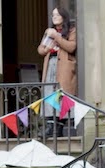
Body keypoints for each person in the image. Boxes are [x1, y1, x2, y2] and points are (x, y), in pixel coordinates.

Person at [37, 5, 77, 137]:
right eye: (53, 15)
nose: (54, 17)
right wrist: (47, 48)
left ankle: (59, 128)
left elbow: (71, 47)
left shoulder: (71, 31)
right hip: (51, 65)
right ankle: (50, 126)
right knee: (49, 93)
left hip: (64, 68)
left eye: (57, 15)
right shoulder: (49, 31)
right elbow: (41, 50)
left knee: (62, 96)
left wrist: (57, 38)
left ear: (63, 17)